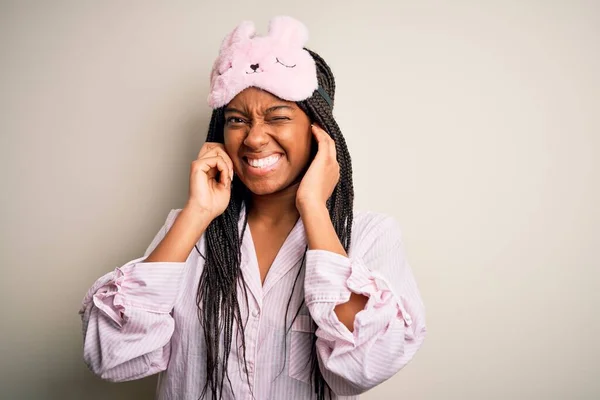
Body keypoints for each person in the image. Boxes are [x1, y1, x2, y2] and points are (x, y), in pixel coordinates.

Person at [79, 16, 426, 400]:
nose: (255, 138)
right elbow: (112, 354)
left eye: (277, 117)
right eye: (237, 120)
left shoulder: (369, 235)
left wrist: (313, 206)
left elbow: (367, 363)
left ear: (319, 130)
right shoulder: (187, 230)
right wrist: (197, 213)